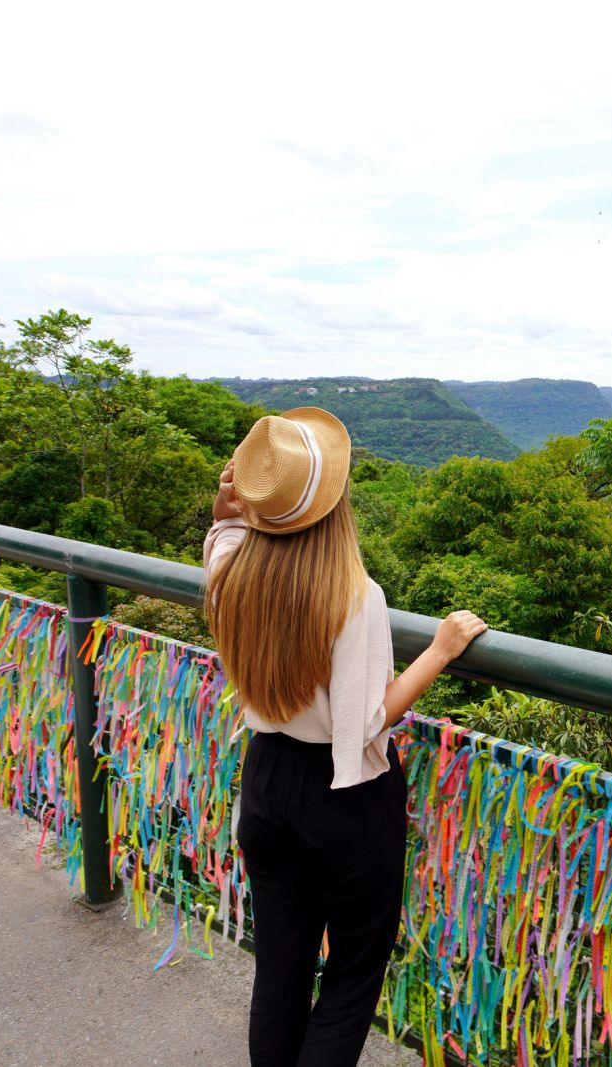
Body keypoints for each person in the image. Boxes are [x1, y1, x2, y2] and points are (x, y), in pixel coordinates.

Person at [203, 407, 486, 1066]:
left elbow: (221, 538)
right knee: (354, 975)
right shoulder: (355, 596)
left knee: (280, 971)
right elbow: (366, 723)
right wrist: (440, 650)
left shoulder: (233, 567)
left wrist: (224, 513)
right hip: (344, 798)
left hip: (267, 779)